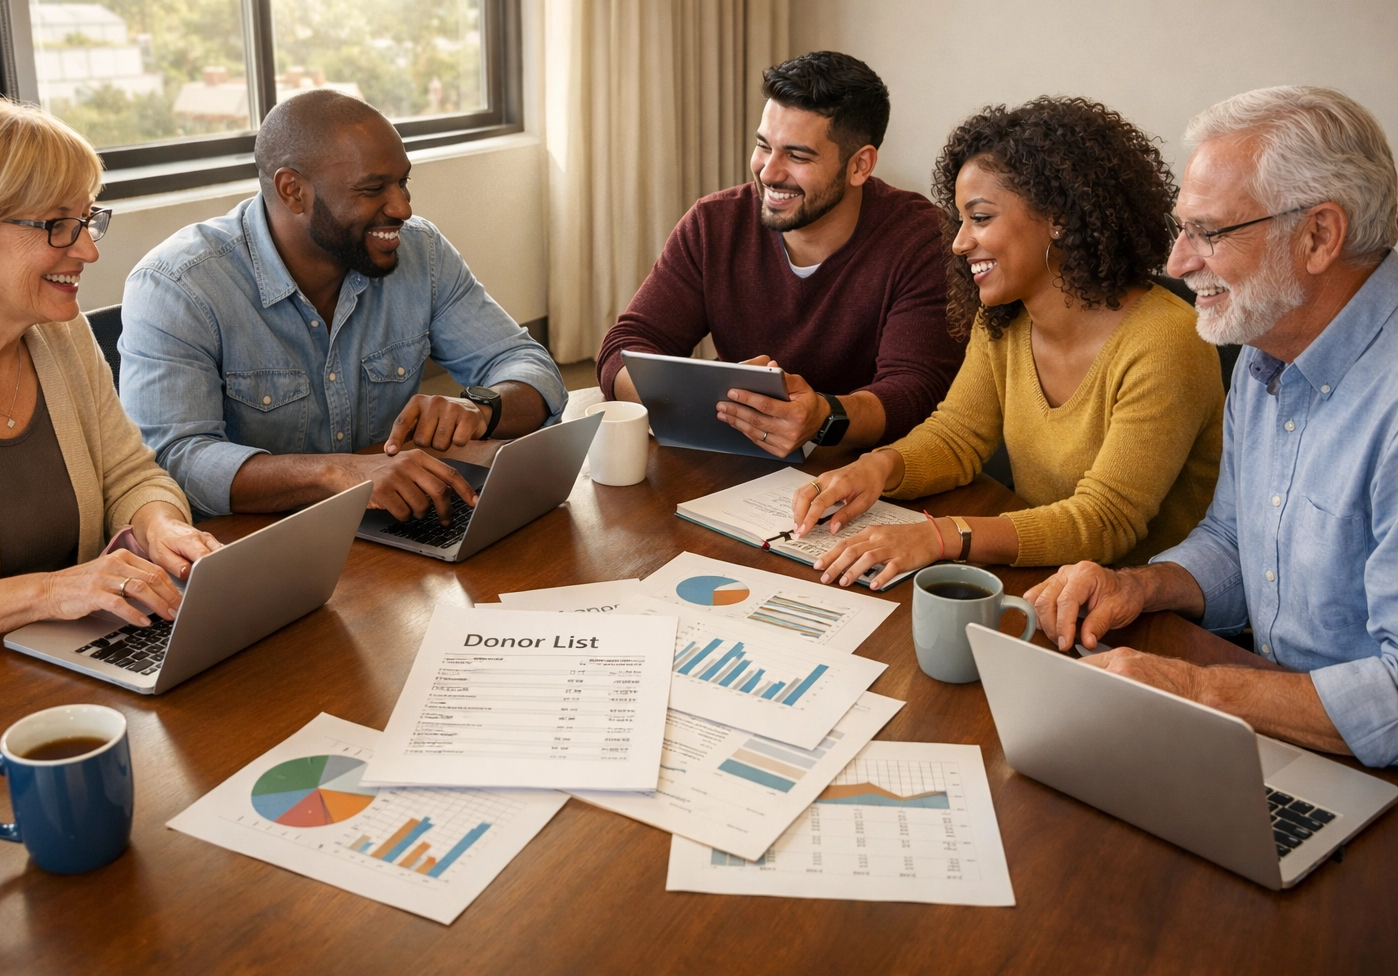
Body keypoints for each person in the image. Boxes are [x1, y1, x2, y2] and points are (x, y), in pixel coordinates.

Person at [1025, 87, 1398, 768]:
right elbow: (1233, 540)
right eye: (1181, 229)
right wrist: (1136, 585)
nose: (1177, 263)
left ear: (1319, 235)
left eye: (1210, 233)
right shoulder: (1266, 345)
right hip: (1280, 730)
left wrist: (1192, 688)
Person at [792, 97, 1223, 589]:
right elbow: (957, 438)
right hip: (1045, 580)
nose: (958, 242)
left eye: (979, 218)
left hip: (1144, 608)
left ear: (1057, 216)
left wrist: (940, 537)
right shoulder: (1004, 319)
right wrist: (875, 469)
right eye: (959, 221)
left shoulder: (1165, 340)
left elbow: (1105, 521)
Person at [0, 99, 221, 670]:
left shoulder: (58, 333)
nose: (88, 249)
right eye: (57, 225)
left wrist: (160, 526)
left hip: (68, 664)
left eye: (86, 220)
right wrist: (52, 592)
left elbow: (129, 475)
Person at [119, 89, 567, 521]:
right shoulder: (177, 287)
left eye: (403, 182)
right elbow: (175, 460)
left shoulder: (421, 252)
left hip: (388, 525)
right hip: (251, 544)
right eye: (373, 189)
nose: (403, 208)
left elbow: (527, 365)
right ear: (293, 190)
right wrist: (340, 473)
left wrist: (482, 409)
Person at [595, 51, 964, 457]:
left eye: (797, 155)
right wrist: (707, 398)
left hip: (865, 472)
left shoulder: (924, 240)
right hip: (736, 461)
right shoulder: (713, 224)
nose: (768, 171)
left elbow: (917, 391)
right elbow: (625, 346)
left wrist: (823, 416)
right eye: (763, 146)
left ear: (860, 165)